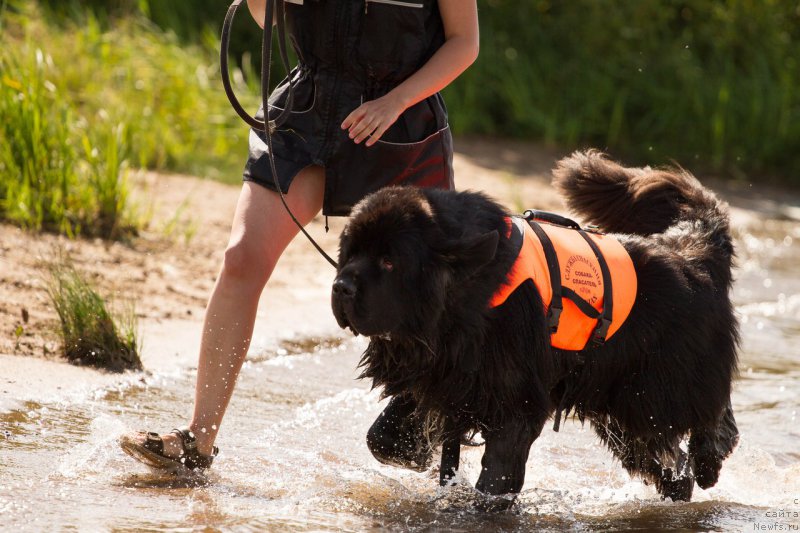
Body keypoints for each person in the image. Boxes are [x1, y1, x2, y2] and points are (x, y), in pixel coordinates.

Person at [120, 0, 479, 471]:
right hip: (307, 110)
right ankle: (197, 442)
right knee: (242, 258)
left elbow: (465, 43)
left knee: (438, 292)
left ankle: (447, 459)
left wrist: (394, 102)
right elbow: (267, 17)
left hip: (400, 125)